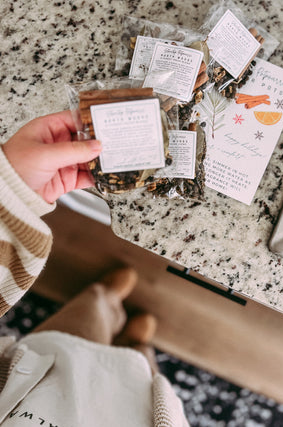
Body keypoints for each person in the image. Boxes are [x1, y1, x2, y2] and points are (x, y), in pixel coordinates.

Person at [0, 111, 190, 426]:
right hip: (133, 412)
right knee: (141, 368)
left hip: (48, 377)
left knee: (87, 315)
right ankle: (136, 343)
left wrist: (10, 192)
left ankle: (105, 299)